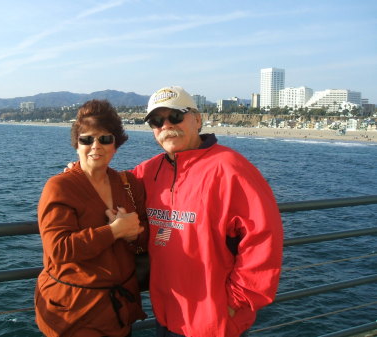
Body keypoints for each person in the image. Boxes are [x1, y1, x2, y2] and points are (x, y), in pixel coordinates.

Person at [66, 86, 284, 337]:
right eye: (157, 121)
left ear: (198, 119)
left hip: (213, 319)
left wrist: (237, 301)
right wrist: (80, 174)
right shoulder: (149, 171)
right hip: (167, 313)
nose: (166, 125)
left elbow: (264, 237)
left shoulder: (231, 168)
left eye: (176, 116)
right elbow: (112, 185)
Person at [35, 99, 148, 337]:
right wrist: (114, 231)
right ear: (77, 145)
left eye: (105, 138)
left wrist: (133, 232)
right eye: (87, 139)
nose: (96, 145)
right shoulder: (60, 187)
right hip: (76, 316)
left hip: (118, 313)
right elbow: (58, 249)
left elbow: (144, 239)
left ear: (116, 145)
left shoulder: (129, 185)